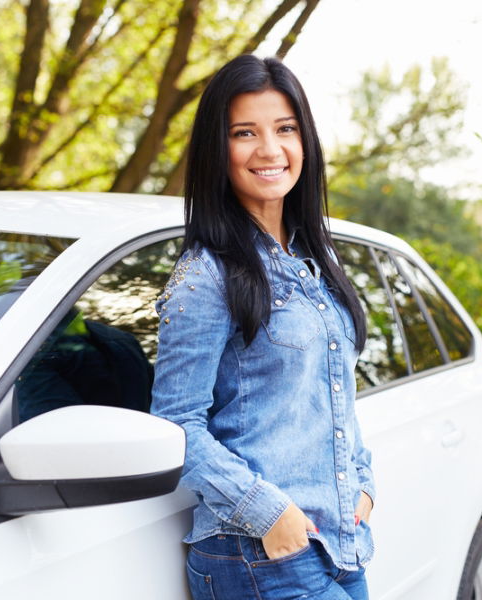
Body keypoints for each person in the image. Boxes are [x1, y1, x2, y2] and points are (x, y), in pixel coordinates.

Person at [150, 55, 374, 600]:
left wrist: (363, 485)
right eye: (244, 133)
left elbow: (335, 393)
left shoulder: (313, 262)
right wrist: (271, 514)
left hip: (339, 545)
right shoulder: (206, 276)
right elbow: (176, 425)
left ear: (305, 142)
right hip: (258, 553)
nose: (270, 150)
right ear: (216, 150)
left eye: (285, 129)